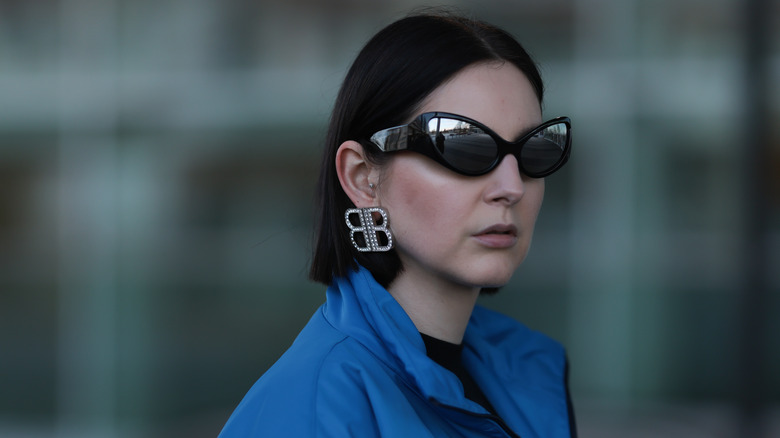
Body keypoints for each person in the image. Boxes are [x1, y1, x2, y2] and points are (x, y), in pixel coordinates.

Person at [219, 10, 575, 438]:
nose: (511, 186)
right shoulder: (312, 409)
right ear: (362, 177)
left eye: (535, 150)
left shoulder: (529, 371)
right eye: (463, 145)